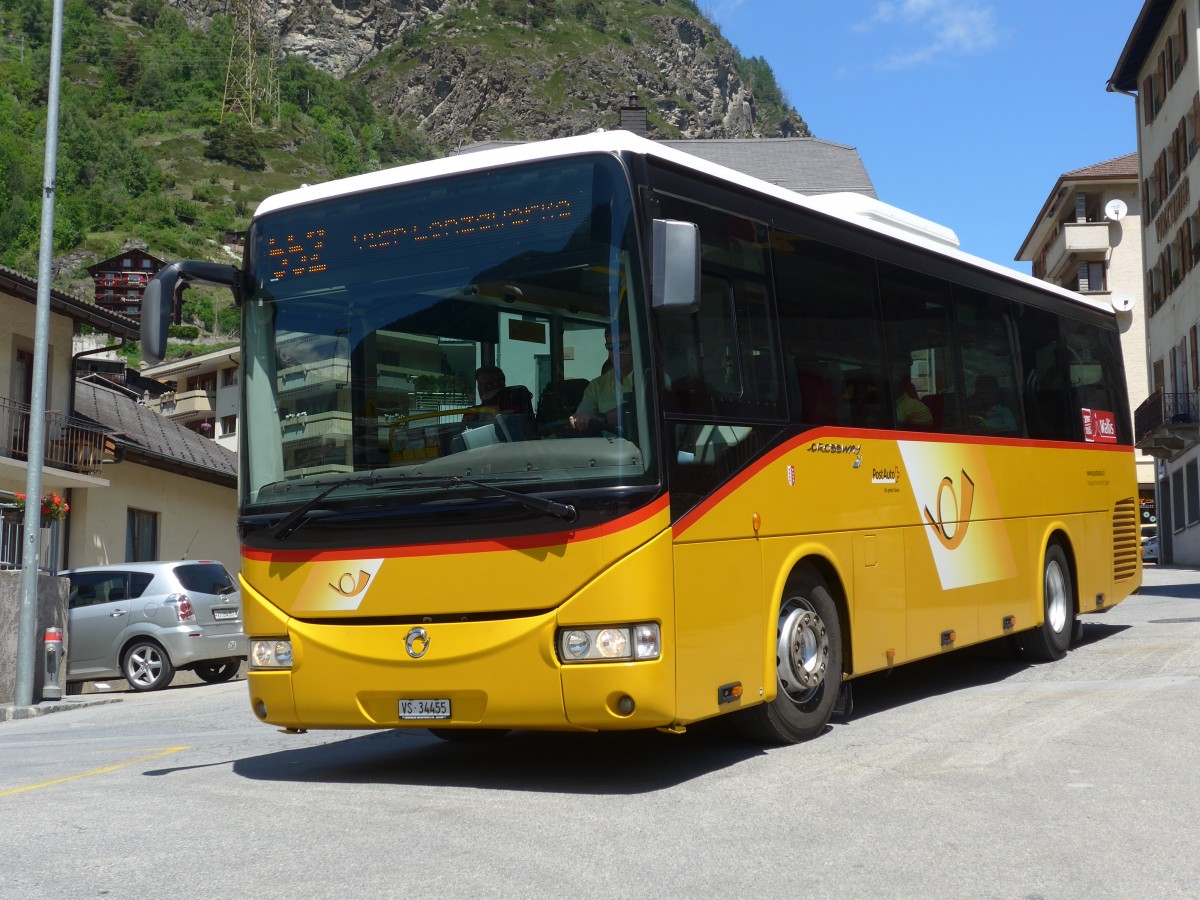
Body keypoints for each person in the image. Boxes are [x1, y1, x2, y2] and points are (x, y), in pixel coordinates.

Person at [571, 329, 635, 433]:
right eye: (610, 347)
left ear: (635, 345)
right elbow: (580, 420)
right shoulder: (596, 386)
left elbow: (638, 411)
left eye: (621, 345)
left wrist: (602, 419)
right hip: (603, 448)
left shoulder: (653, 381)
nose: (615, 353)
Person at [463, 365, 533, 423]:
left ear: (502, 385)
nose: (484, 388)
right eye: (481, 384)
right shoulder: (472, 412)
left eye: (489, 384)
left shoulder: (514, 410)